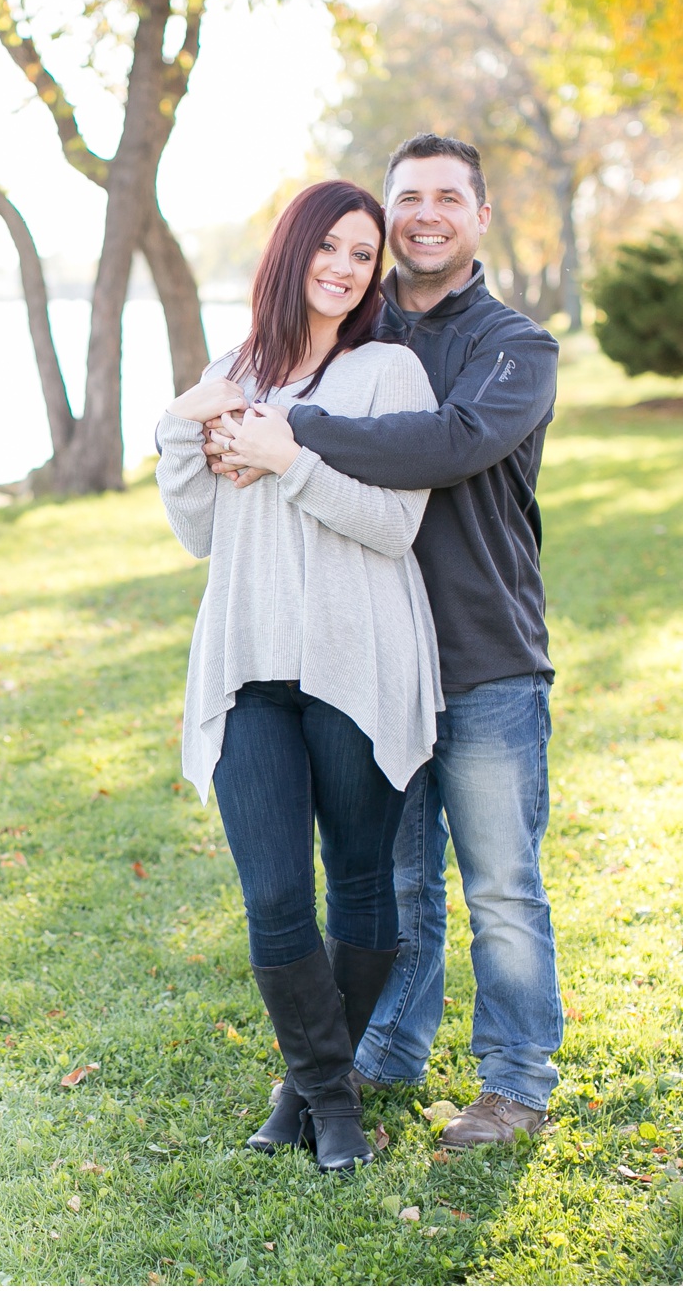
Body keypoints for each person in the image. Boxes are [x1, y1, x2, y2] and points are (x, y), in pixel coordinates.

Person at [208, 133, 563, 1150]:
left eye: (447, 197)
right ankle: (386, 1049)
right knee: (392, 881)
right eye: (407, 197)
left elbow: (447, 446)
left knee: (498, 880)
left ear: (479, 217)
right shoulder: (352, 340)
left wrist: (291, 434)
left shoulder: (512, 348)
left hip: (483, 651)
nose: (424, 214)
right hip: (370, 661)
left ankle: (513, 1082)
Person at [155, 179, 442, 1173]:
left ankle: (306, 1097)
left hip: (354, 660)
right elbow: (198, 532)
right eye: (328, 246)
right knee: (274, 894)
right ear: (291, 251)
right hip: (245, 667)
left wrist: (287, 457)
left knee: (359, 884)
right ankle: (331, 1100)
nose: (342, 267)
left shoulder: (386, 374)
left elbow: (395, 524)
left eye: (361, 254)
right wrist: (174, 434)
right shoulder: (229, 372)